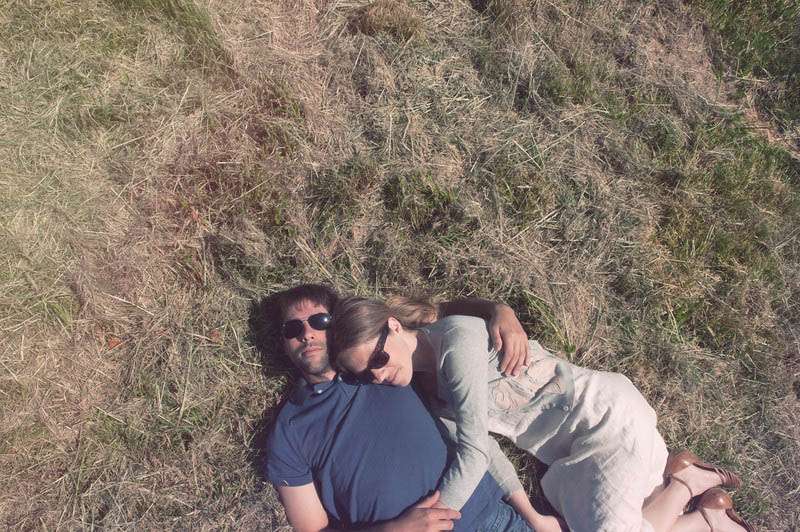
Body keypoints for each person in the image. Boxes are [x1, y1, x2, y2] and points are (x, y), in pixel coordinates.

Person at [329, 297, 754, 532]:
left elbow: (472, 454)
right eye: (365, 373)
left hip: (603, 418)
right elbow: (486, 450)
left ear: (394, 326)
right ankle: (692, 492)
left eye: (378, 359)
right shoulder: (430, 391)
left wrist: (434, 521)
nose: (377, 375)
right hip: (574, 454)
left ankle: (696, 505)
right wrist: (531, 515)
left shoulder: (456, 342)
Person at [263, 284, 557, 531]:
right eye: (293, 328)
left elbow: (439, 314)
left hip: (489, 521)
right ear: (284, 343)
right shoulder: (289, 431)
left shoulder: (390, 361)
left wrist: (499, 310)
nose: (306, 333)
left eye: (319, 321)